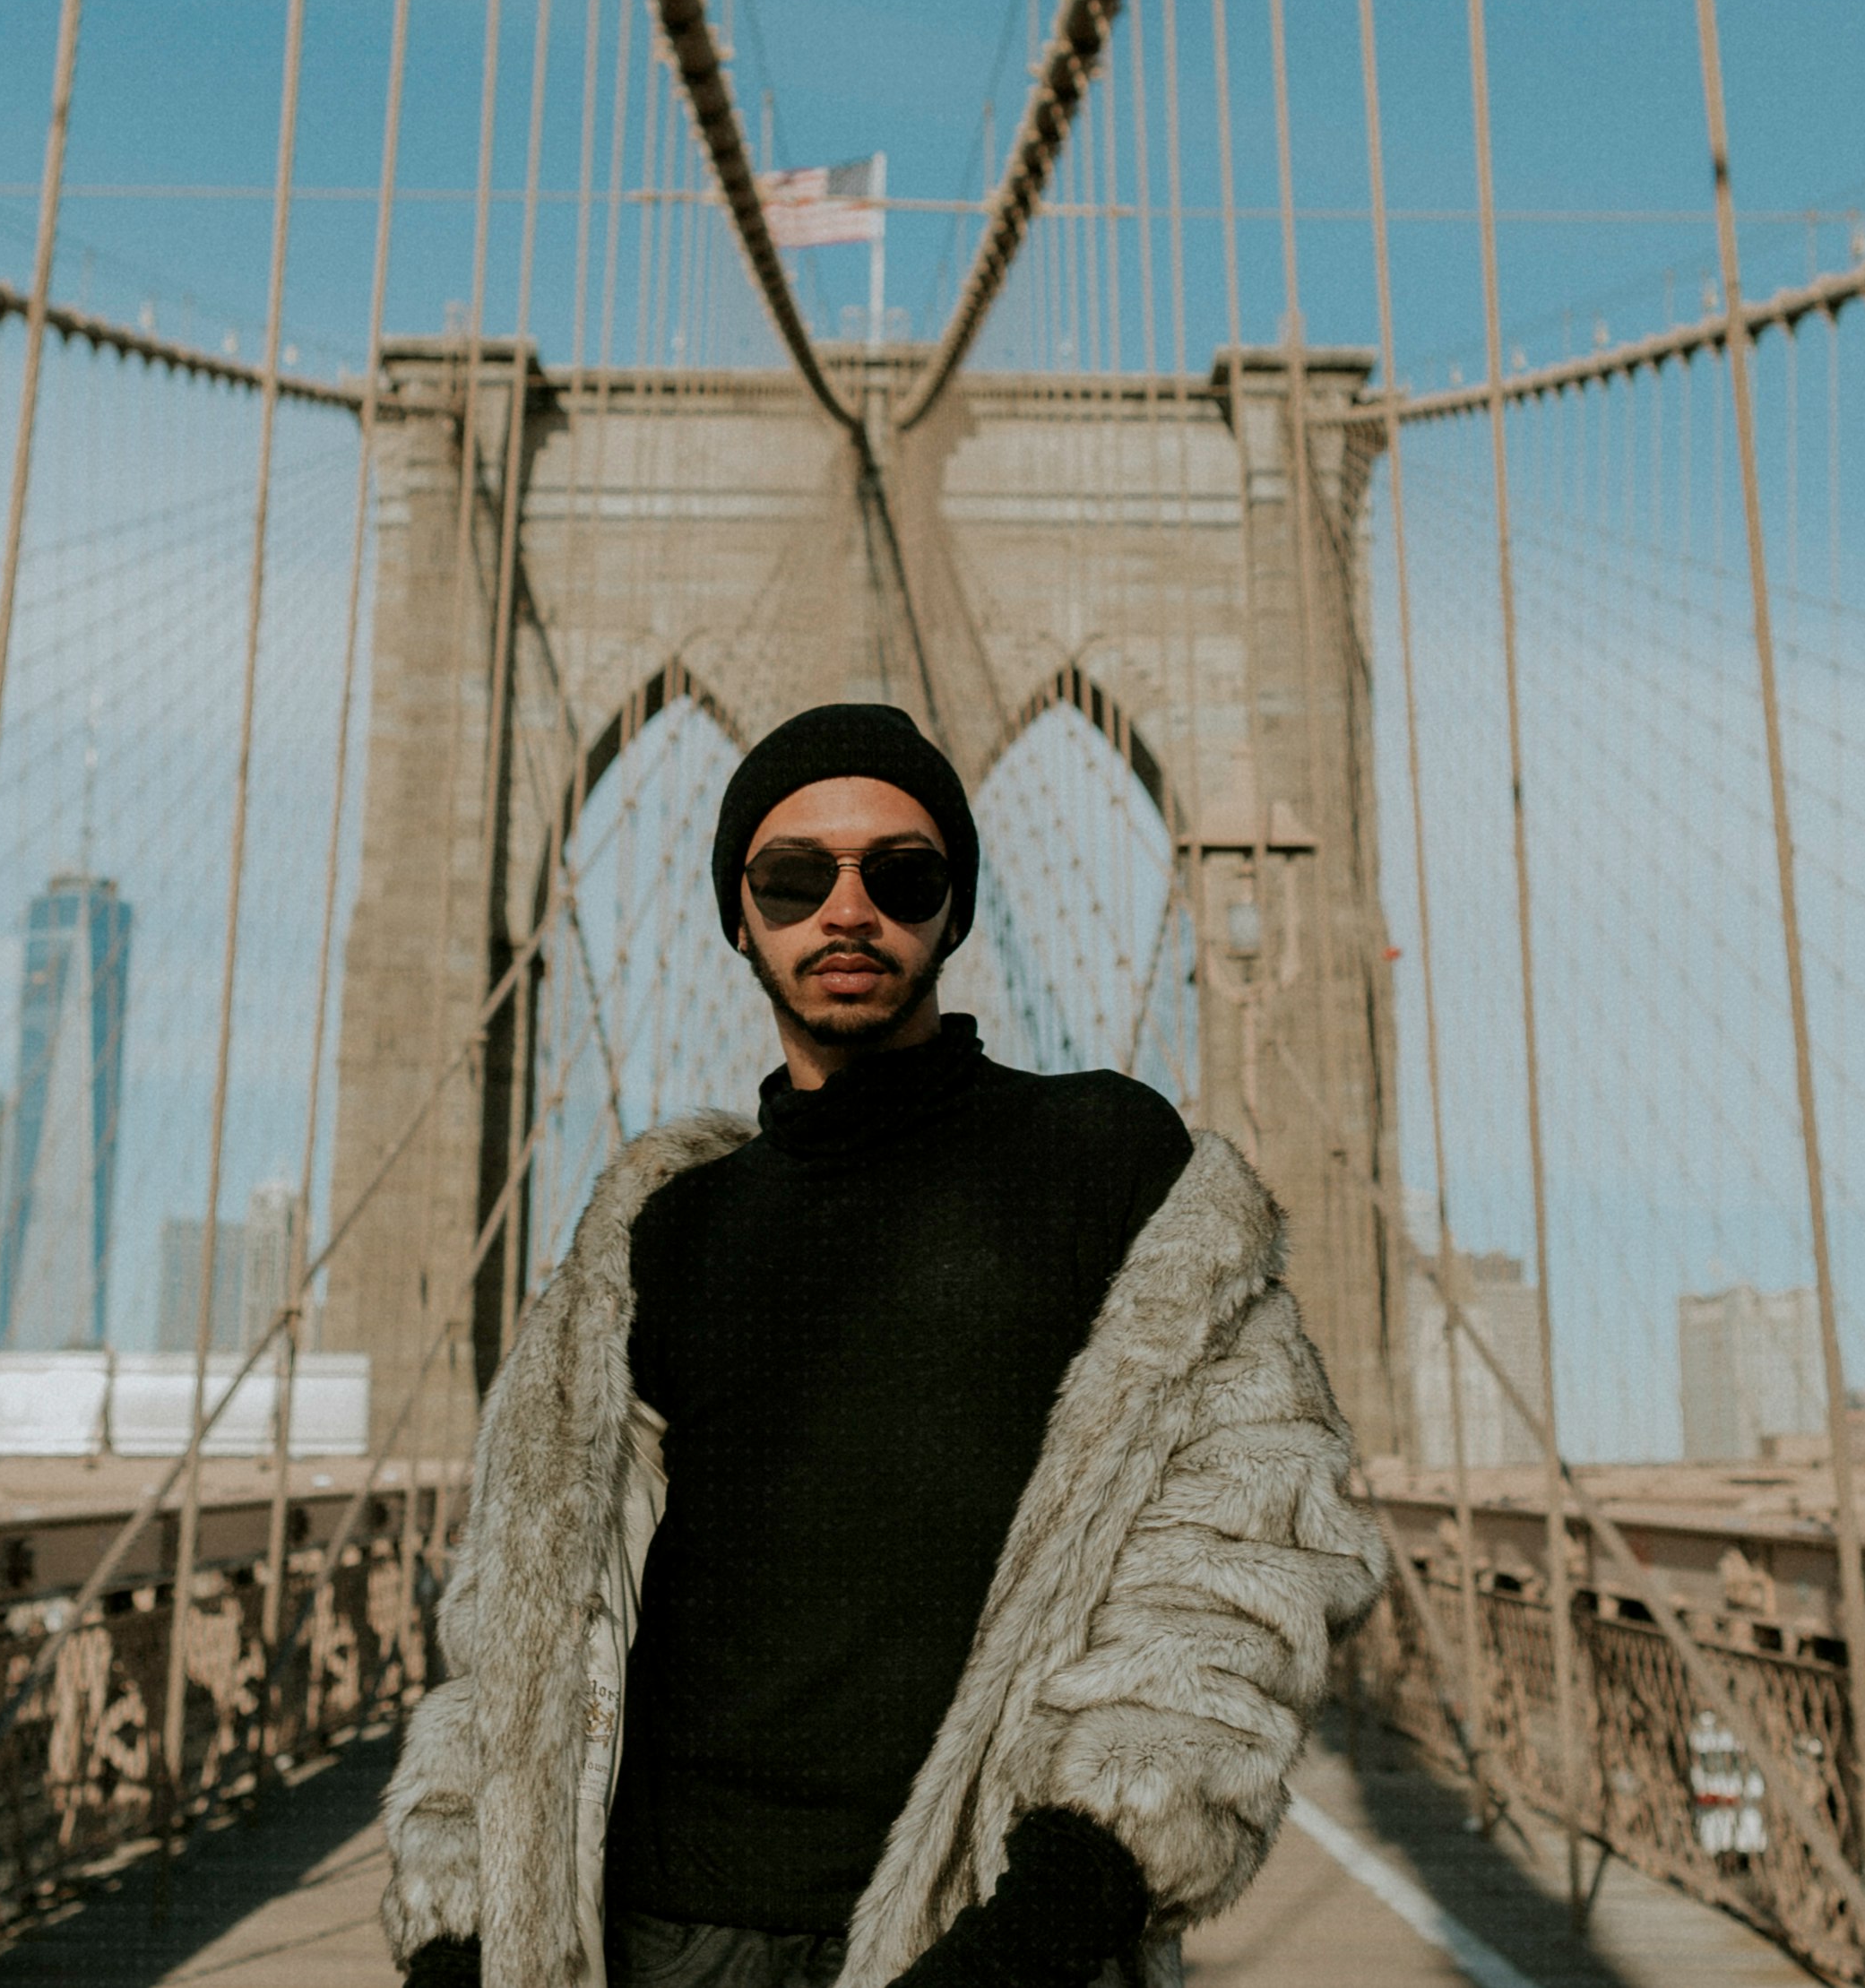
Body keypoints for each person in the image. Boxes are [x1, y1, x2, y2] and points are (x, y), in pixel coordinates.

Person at [381, 699, 1383, 1988]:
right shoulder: (651, 1241)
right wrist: (459, 1930)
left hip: (980, 1935)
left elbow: (1247, 1545)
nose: (844, 913)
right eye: (793, 879)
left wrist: (1064, 1904)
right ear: (738, 916)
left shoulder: (1108, 1160)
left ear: (951, 911)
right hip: (657, 1938)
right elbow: (524, 1612)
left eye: (898, 876)